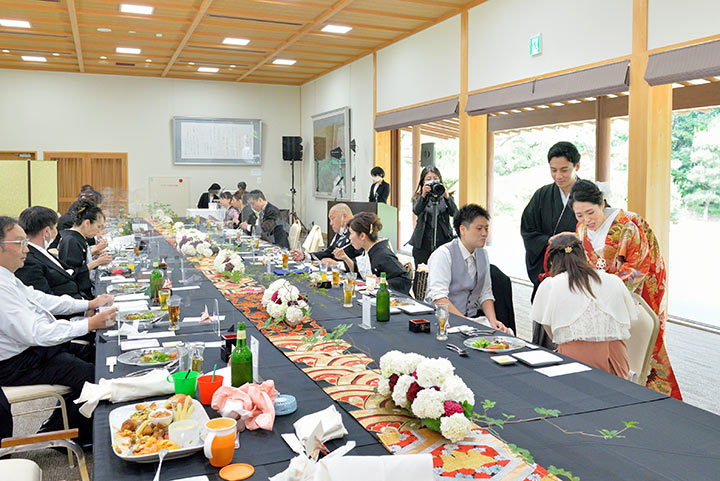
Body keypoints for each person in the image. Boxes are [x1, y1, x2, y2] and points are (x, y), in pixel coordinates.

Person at [0, 216, 117, 443]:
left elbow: (43, 300)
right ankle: (69, 436)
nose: (26, 250)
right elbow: (36, 333)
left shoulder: (8, 278)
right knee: (91, 375)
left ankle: (63, 423)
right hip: (17, 363)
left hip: (32, 350)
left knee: (96, 355)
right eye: (20, 244)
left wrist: (88, 305)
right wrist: (89, 323)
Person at [564, 179, 682, 399]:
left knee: (640, 347)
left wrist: (605, 288)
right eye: (579, 215)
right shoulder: (581, 229)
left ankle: (652, 395)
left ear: (601, 203)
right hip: (600, 294)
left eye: (590, 212)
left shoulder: (628, 224)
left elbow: (638, 266)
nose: (586, 220)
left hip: (631, 292)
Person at [531, 235, 634, 378]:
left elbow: (552, 333)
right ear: (584, 255)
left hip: (575, 360)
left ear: (552, 262)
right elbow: (627, 320)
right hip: (617, 361)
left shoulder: (551, 285)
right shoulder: (613, 281)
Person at [521, 141, 581, 348]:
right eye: (553, 170)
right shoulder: (542, 195)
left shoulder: (589, 195)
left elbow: (598, 229)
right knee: (545, 321)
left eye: (564, 170)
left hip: (576, 269)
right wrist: (548, 241)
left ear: (577, 166)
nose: (559, 176)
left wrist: (576, 237)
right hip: (548, 268)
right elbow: (528, 230)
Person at [425, 204, 510, 333]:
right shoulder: (444, 254)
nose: (484, 234)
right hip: (442, 321)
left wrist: (493, 322)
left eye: (486, 229)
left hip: (470, 320)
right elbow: (438, 297)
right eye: (479, 229)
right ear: (463, 229)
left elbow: (485, 293)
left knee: (505, 335)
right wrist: (464, 323)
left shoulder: (483, 254)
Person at [15, 206, 87, 300]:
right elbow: (46, 301)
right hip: (69, 310)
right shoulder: (28, 260)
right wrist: (86, 308)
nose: (57, 232)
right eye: (56, 228)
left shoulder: (42, 252)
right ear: (46, 231)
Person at [335, 212, 411, 295]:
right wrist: (345, 258)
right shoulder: (366, 250)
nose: (349, 238)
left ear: (362, 236)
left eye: (351, 233)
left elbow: (405, 279)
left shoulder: (383, 254)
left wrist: (382, 281)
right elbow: (361, 271)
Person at [58, 200, 112, 299]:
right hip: (78, 295)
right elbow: (71, 273)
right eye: (98, 226)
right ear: (87, 223)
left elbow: (81, 263)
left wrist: (96, 260)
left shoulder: (79, 237)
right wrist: (97, 262)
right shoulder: (71, 241)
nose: (99, 231)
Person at [408, 166, 458, 266]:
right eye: (428, 179)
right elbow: (417, 211)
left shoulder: (445, 196)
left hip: (443, 239)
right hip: (423, 241)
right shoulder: (418, 197)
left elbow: (455, 213)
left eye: (435, 178)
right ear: (423, 182)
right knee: (423, 273)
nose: (433, 181)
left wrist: (447, 197)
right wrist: (423, 196)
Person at [289, 203, 362, 267]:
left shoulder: (358, 232)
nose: (331, 223)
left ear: (344, 216)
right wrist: (305, 256)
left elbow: (361, 263)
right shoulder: (341, 232)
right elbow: (329, 252)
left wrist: (337, 264)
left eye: (333, 219)